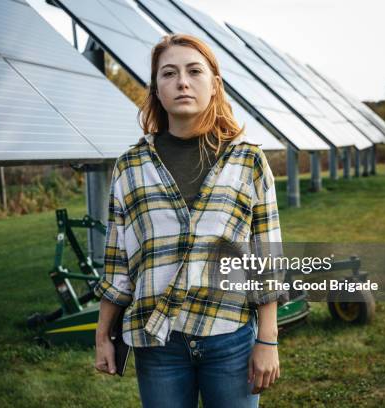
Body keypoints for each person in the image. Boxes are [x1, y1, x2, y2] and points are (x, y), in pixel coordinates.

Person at [93, 33, 289, 408]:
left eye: (194, 71)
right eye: (169, 73)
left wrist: (268, 339)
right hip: (158, 343)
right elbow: (118, 263)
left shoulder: (248, 161)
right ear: (156, 89)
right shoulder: (131, 166)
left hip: (229, 336)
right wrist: (104, 335)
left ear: (214, 85)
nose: (182, 82)